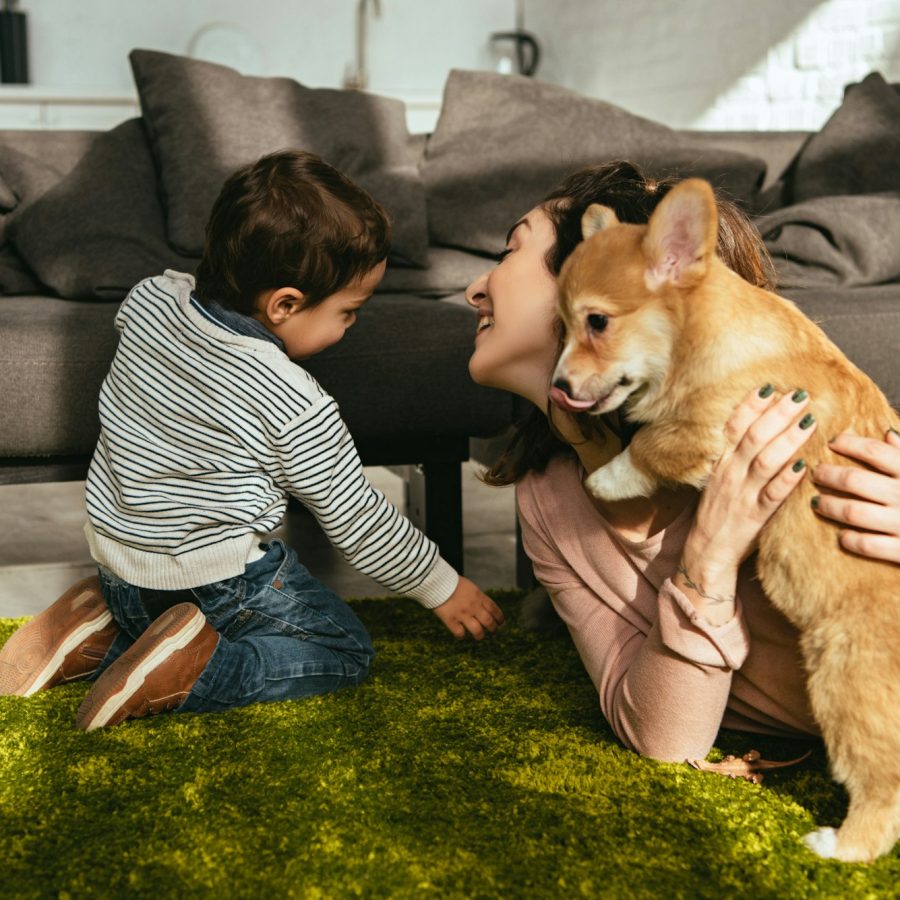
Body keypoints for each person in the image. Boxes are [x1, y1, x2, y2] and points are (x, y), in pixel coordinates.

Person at [0, 149, 504, 729]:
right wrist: (441, 586)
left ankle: (100, 633)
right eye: (349, 310)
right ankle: (194, 672)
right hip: (216, 581)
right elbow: (358, 520)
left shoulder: (148, 300)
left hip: (121, 565)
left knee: (161, 616)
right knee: (343, 650)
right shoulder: (293, 400)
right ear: (285, 304)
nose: (353, 325)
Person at [464, 160, 900, 762]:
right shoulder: (546, 500)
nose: (474, 289)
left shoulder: (772, 399)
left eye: (510, 250)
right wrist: (709, 559)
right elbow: (662, 737)